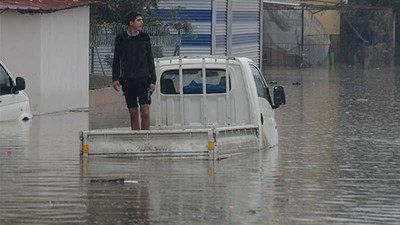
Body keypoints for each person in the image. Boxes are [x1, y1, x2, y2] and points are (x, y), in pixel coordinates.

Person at [112, 11, 156, 130]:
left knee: (145, 112)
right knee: (133, 113)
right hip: (127, 80)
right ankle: (136, 140)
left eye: (141, 20)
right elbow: (116, 59)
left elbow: (150, 59)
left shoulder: (144, 37)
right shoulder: (121, 38)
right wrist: (115, 78)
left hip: (144, 79)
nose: (141, 22)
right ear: (131, 23)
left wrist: (153, 80)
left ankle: (145, 139)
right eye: (138, 20)